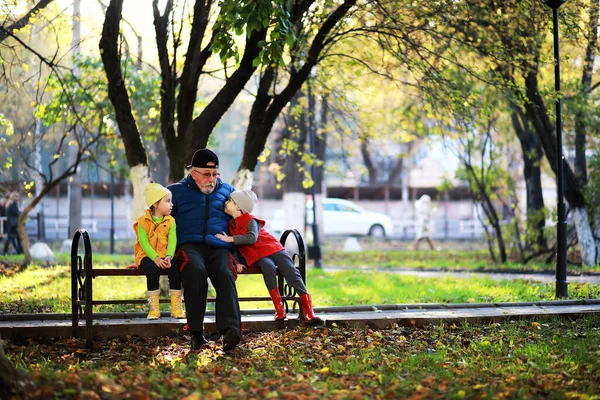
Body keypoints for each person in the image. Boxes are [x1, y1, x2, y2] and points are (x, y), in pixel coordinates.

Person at [168, 148, 242, 351]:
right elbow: (156, 224)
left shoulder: (227, 192)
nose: (212, 179)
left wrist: (241, 255)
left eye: (215, 174)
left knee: (225, 272)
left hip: (219, 247)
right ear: (193, 173)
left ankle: (231, 332)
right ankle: (196, 334)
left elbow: (242, 223)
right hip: (188, 246)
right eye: (207, 174)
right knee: (194, 270)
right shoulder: (174, 193)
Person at [216, 189, 322, 325]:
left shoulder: (250, 220)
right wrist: (237, 262)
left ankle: (309, 311)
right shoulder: (231, 225)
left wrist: (230, 239)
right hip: (258, 256)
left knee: (291, 273)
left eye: (230, 200)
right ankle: (279, 309)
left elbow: (252, 238)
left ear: (238, 206)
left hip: (272, 248)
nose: (226, 202)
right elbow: (235, 248)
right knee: (268, 267)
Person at [133, 183, 185, 320]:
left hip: (165, 254)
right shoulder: (143, 222)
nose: (171, 204)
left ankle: (176, 308)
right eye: (168, 201)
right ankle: (154, 309)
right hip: (146, 255)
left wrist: (169, 256)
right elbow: (144, 244)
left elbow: (172, 241)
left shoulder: (171, 221)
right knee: (152, 269)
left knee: (175, 269)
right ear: (156, 204)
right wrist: (155, 258)